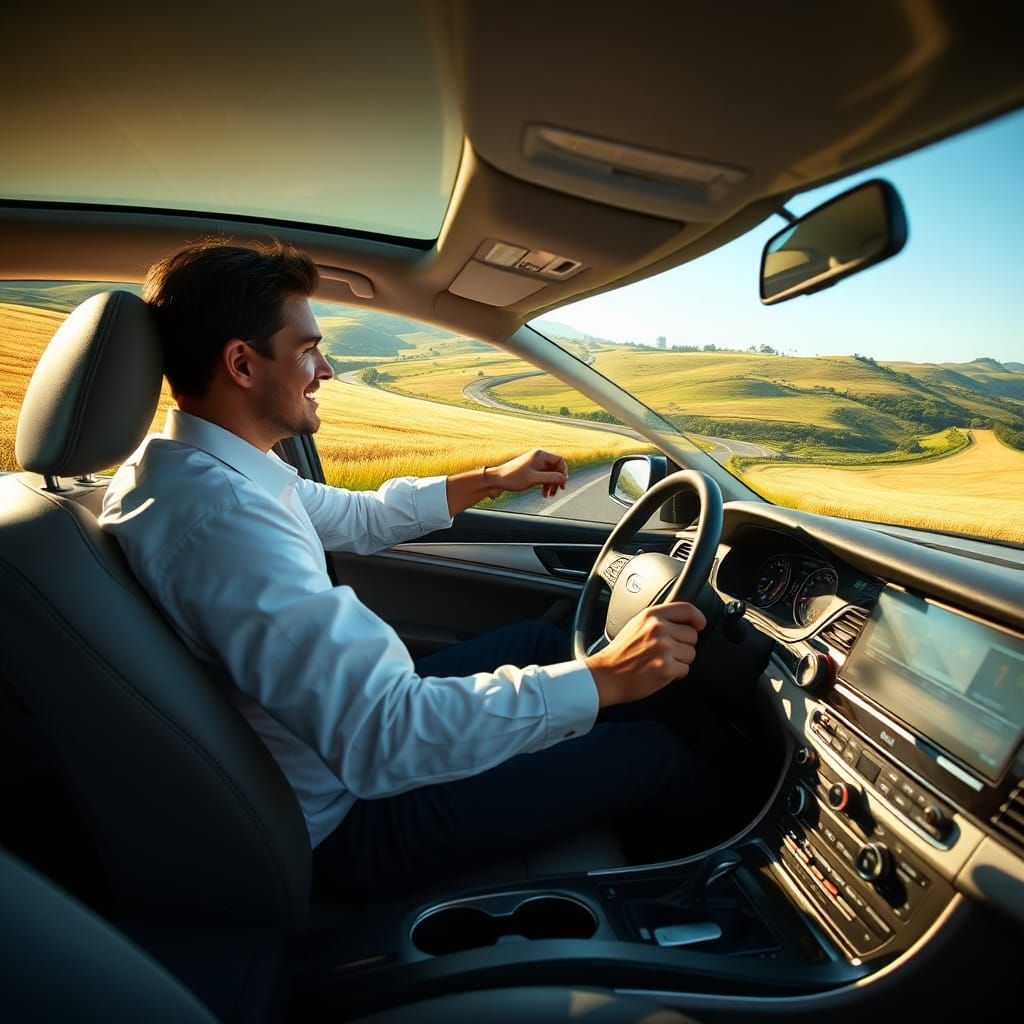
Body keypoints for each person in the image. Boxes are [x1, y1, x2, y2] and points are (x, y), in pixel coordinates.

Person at [100, 239, 712, 900]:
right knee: (650, 756)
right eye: (308, 348)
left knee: (546, 643)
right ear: (242, 364)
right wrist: (608, 677)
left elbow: (353, 515)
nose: (325, 368)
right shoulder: (221, 520)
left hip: (329, 751)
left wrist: (487, 479)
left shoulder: (201, 471)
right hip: (342, 820)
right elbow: (385, 737)